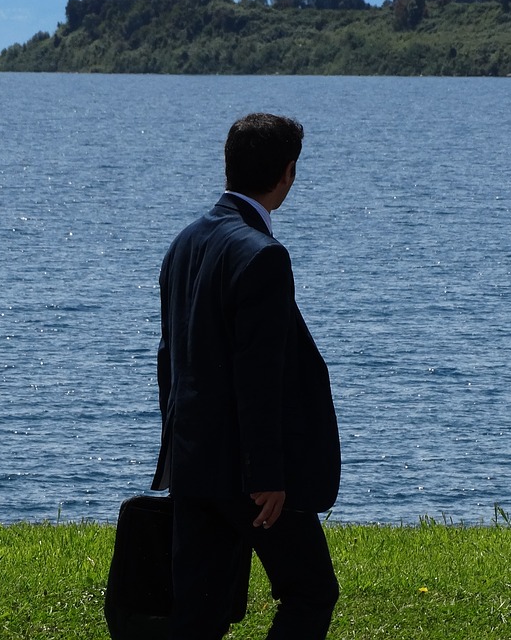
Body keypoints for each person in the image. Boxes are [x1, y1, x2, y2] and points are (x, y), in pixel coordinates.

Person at [152, 113, 341, 640]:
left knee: (199, 612)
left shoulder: (185, 243)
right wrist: (267, 475)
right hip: (247, 479)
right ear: (289, 173)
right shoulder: (263, 256)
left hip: (192, 466)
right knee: (310, 591)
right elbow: (259, 375)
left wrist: (175, 454)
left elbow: (171, 358)